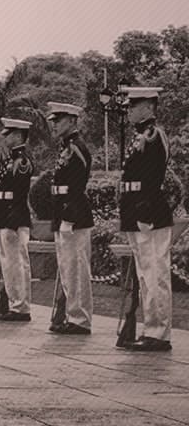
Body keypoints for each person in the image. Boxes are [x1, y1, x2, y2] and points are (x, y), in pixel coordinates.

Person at [118, 86, 173, 352]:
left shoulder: (153, 135)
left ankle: (158, 333)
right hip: (136, 212)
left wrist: (143, 211)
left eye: (134, 105)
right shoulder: (140, 136)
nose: (129, 109)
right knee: (145, 275)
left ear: (149, 107)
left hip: (149, 213)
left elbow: (153, 177)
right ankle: (151, 328)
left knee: (155, 274)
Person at [46, 102, 94, 334]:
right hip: (63, 215)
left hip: (73, 217)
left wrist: (69, 218)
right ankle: (72, 315)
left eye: (58, 120)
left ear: (72, 121)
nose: (54, 124)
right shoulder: (66, 147)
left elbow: (76, 186)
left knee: (76, 269)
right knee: (67, 269)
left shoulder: (76, 148)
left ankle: (80, 319)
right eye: (53, 121)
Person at [0, 118, 34, 322]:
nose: (5, 137)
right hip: (5, 215)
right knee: (9, 263)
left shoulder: (22, 161)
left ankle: (20, 306)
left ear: (18, 135)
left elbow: (18, 191)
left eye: (8, 134)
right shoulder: (10, 160)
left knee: (16, 262)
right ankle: (14, 302)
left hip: (14, 215)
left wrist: (11, 217)